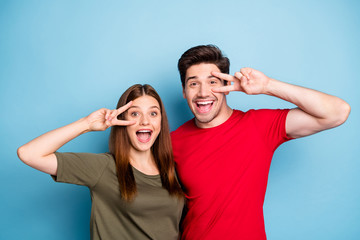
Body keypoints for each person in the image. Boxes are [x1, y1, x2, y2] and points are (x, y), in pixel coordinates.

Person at [171, 45, 351, 240]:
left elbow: (337, 112)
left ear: (227, 87)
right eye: (193, 84)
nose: (203, 92)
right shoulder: (173, 142)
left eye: (213, 82)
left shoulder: (259, 127)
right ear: (184, 91)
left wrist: (267, 86)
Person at [17, 84, 184, 240]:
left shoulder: (172, 170)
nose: (145, 121)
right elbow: (29, 154)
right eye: (135, 113)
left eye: (153, 113)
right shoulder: (103, 168)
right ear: (122, 120)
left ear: (161, 121)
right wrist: (87, 124)